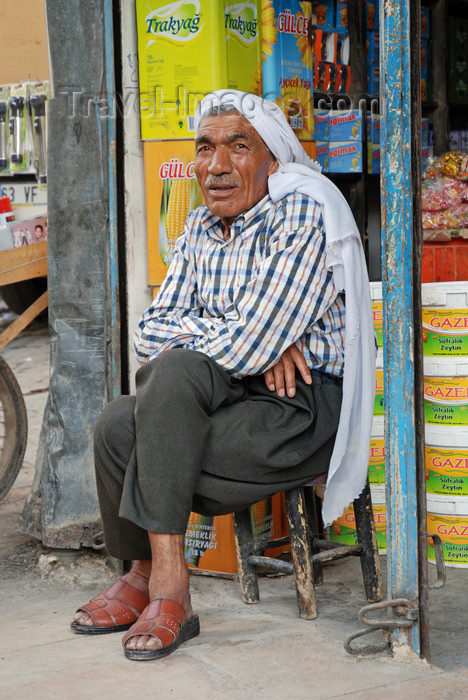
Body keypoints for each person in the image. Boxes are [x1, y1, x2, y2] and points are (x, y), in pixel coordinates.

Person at [71, 90, 375, 662]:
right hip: (229, 397)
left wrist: (253, 341)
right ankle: (140, 573)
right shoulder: (198, 227)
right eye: (206, 148)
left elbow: (247, 341)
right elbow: (149, 333)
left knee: (176, 378)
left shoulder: (302, 212)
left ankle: (168, 588)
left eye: (239, 147)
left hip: (299, 409)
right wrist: (257, 341)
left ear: (272, 160)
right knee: (117, 422)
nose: (217, 166)